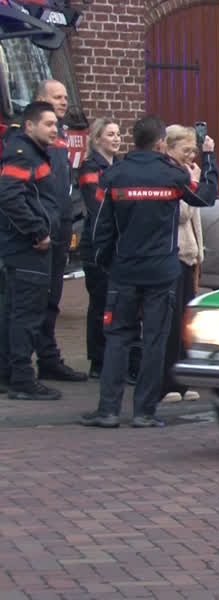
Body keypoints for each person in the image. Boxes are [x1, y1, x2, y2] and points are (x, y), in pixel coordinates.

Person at [79, 114, 217, 428]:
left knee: (118, 338)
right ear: (160, 143)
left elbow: (100, 227)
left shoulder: (114, 175)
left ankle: (108, 410)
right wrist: (209, 158)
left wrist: (106, 263)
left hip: (124, 271)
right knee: (155, 340)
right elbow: (205, 196)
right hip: (162, 273)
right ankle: (144, 412)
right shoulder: (172, 175)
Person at [0, 101, 62, 400]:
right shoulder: (22, 154)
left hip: (25, 246)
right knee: (26, 315)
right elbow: (9, 196)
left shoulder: (33, 153)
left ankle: (8, 374)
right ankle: (23, 380)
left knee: (16, 312)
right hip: (27, 247)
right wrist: (37, 231)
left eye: (56, 124)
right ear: (29, 126)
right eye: (48, 124)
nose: (55, 129)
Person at [33, 80, 86, 382]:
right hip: (46, 225)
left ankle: (48, 358)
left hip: (62, 222)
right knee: (36, 299)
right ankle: (20, 365)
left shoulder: (61, 134)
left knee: (53, 296)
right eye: (57, 97)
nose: (64, 101)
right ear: (41, 99)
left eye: (66, 97)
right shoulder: (33, 138)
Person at [161, 124, 214, 404]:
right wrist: (193, 181)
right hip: (174, 255)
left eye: (193, 151)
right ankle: (167, 381)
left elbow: (198, 218)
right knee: (170, 324)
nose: (191, 156)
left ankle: (183, 381)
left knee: (185, 322)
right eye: (185, 150)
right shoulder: (170, 176)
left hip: (189, 255)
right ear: (169, 149)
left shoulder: (185, 173)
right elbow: (181, 214)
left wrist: (199, 255)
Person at [78, 117, 122, 378]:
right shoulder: (90, 167)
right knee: (99, 304)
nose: (116, 139)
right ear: (97, 139)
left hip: (116, 244)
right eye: (110, 134)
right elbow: (98, 207)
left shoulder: (119, 166)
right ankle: (97, 360)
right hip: (96, 245)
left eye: (118, 134)